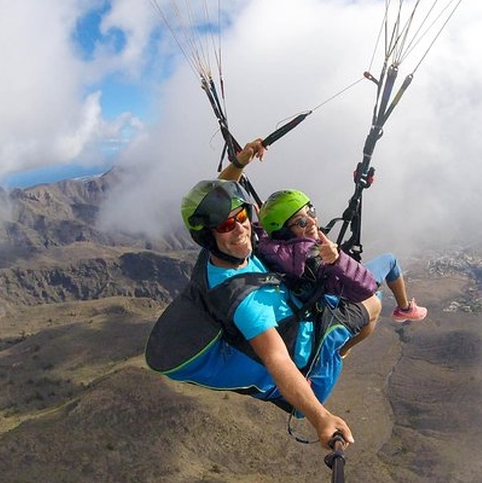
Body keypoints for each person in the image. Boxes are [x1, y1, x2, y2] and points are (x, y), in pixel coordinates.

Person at [146, 139, 381, 449]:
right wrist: (321, 418)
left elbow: (219, 191)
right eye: (228, 225)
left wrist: (240, 162)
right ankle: (337, 352)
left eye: (242, 217)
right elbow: (277, 360)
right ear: (208, 236)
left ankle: (334, 349)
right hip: (308, 371)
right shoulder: (245, 301)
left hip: (293, 320)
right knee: (373, 304)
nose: (241, 229)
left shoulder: (219, 255)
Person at [258, 189, 428, 323]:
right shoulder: (312, 257)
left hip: (311, 297)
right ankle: (405, 309)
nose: (312, 222)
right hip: (340, 299)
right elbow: (367, 287)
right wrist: (337, 259)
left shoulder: (268, 245)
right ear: (284, 231)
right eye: (301, 222)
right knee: (390, 260)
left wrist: (263, 221)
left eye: (311, 212)